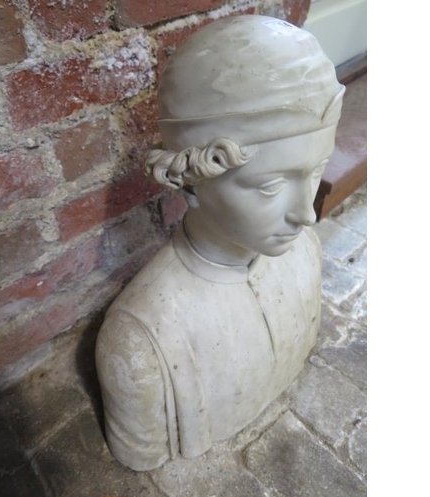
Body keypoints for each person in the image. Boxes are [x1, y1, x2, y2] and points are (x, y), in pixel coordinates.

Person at [96, 15, 345, 471]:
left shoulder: (305, 253)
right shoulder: (141, 345)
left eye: (315, 171)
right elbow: (140, 451)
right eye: (269, 186)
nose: (306, 213)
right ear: (190, 182)